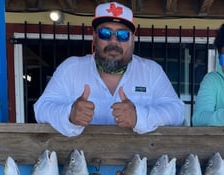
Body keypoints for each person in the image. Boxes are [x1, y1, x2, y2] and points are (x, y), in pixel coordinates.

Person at [34, 2, 185, 137]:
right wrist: (69, 114)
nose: (113, 41)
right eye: (105, 33)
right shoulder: (71, 68)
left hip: (137, 163)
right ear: (94, 37)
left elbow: (177, 113)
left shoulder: (152, 71)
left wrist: (139, 116)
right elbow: (41, 110)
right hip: (81, 164)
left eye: (122, 35)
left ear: (132, 39)